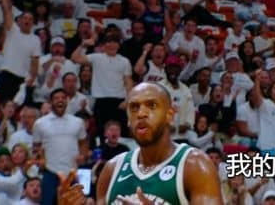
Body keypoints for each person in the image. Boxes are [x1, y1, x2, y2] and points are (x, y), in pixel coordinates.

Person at [57, 82, 223, 204]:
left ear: (170, 114)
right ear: (128, 120)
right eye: (134, 108)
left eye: (152, 105)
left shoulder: (195, 165)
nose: (141, 113)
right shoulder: (112, 169)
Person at [33, 88, 88, 205]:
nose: (60, 100)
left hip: (72, 173)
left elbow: (83, 143)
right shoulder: (40, 123)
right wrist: (39, 159)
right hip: (50, 171)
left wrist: (83, 155)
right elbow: (36, 147)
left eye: (63, 98)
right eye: (56, 98)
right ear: (51, 102)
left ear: (67, 101)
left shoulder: (78, 122)